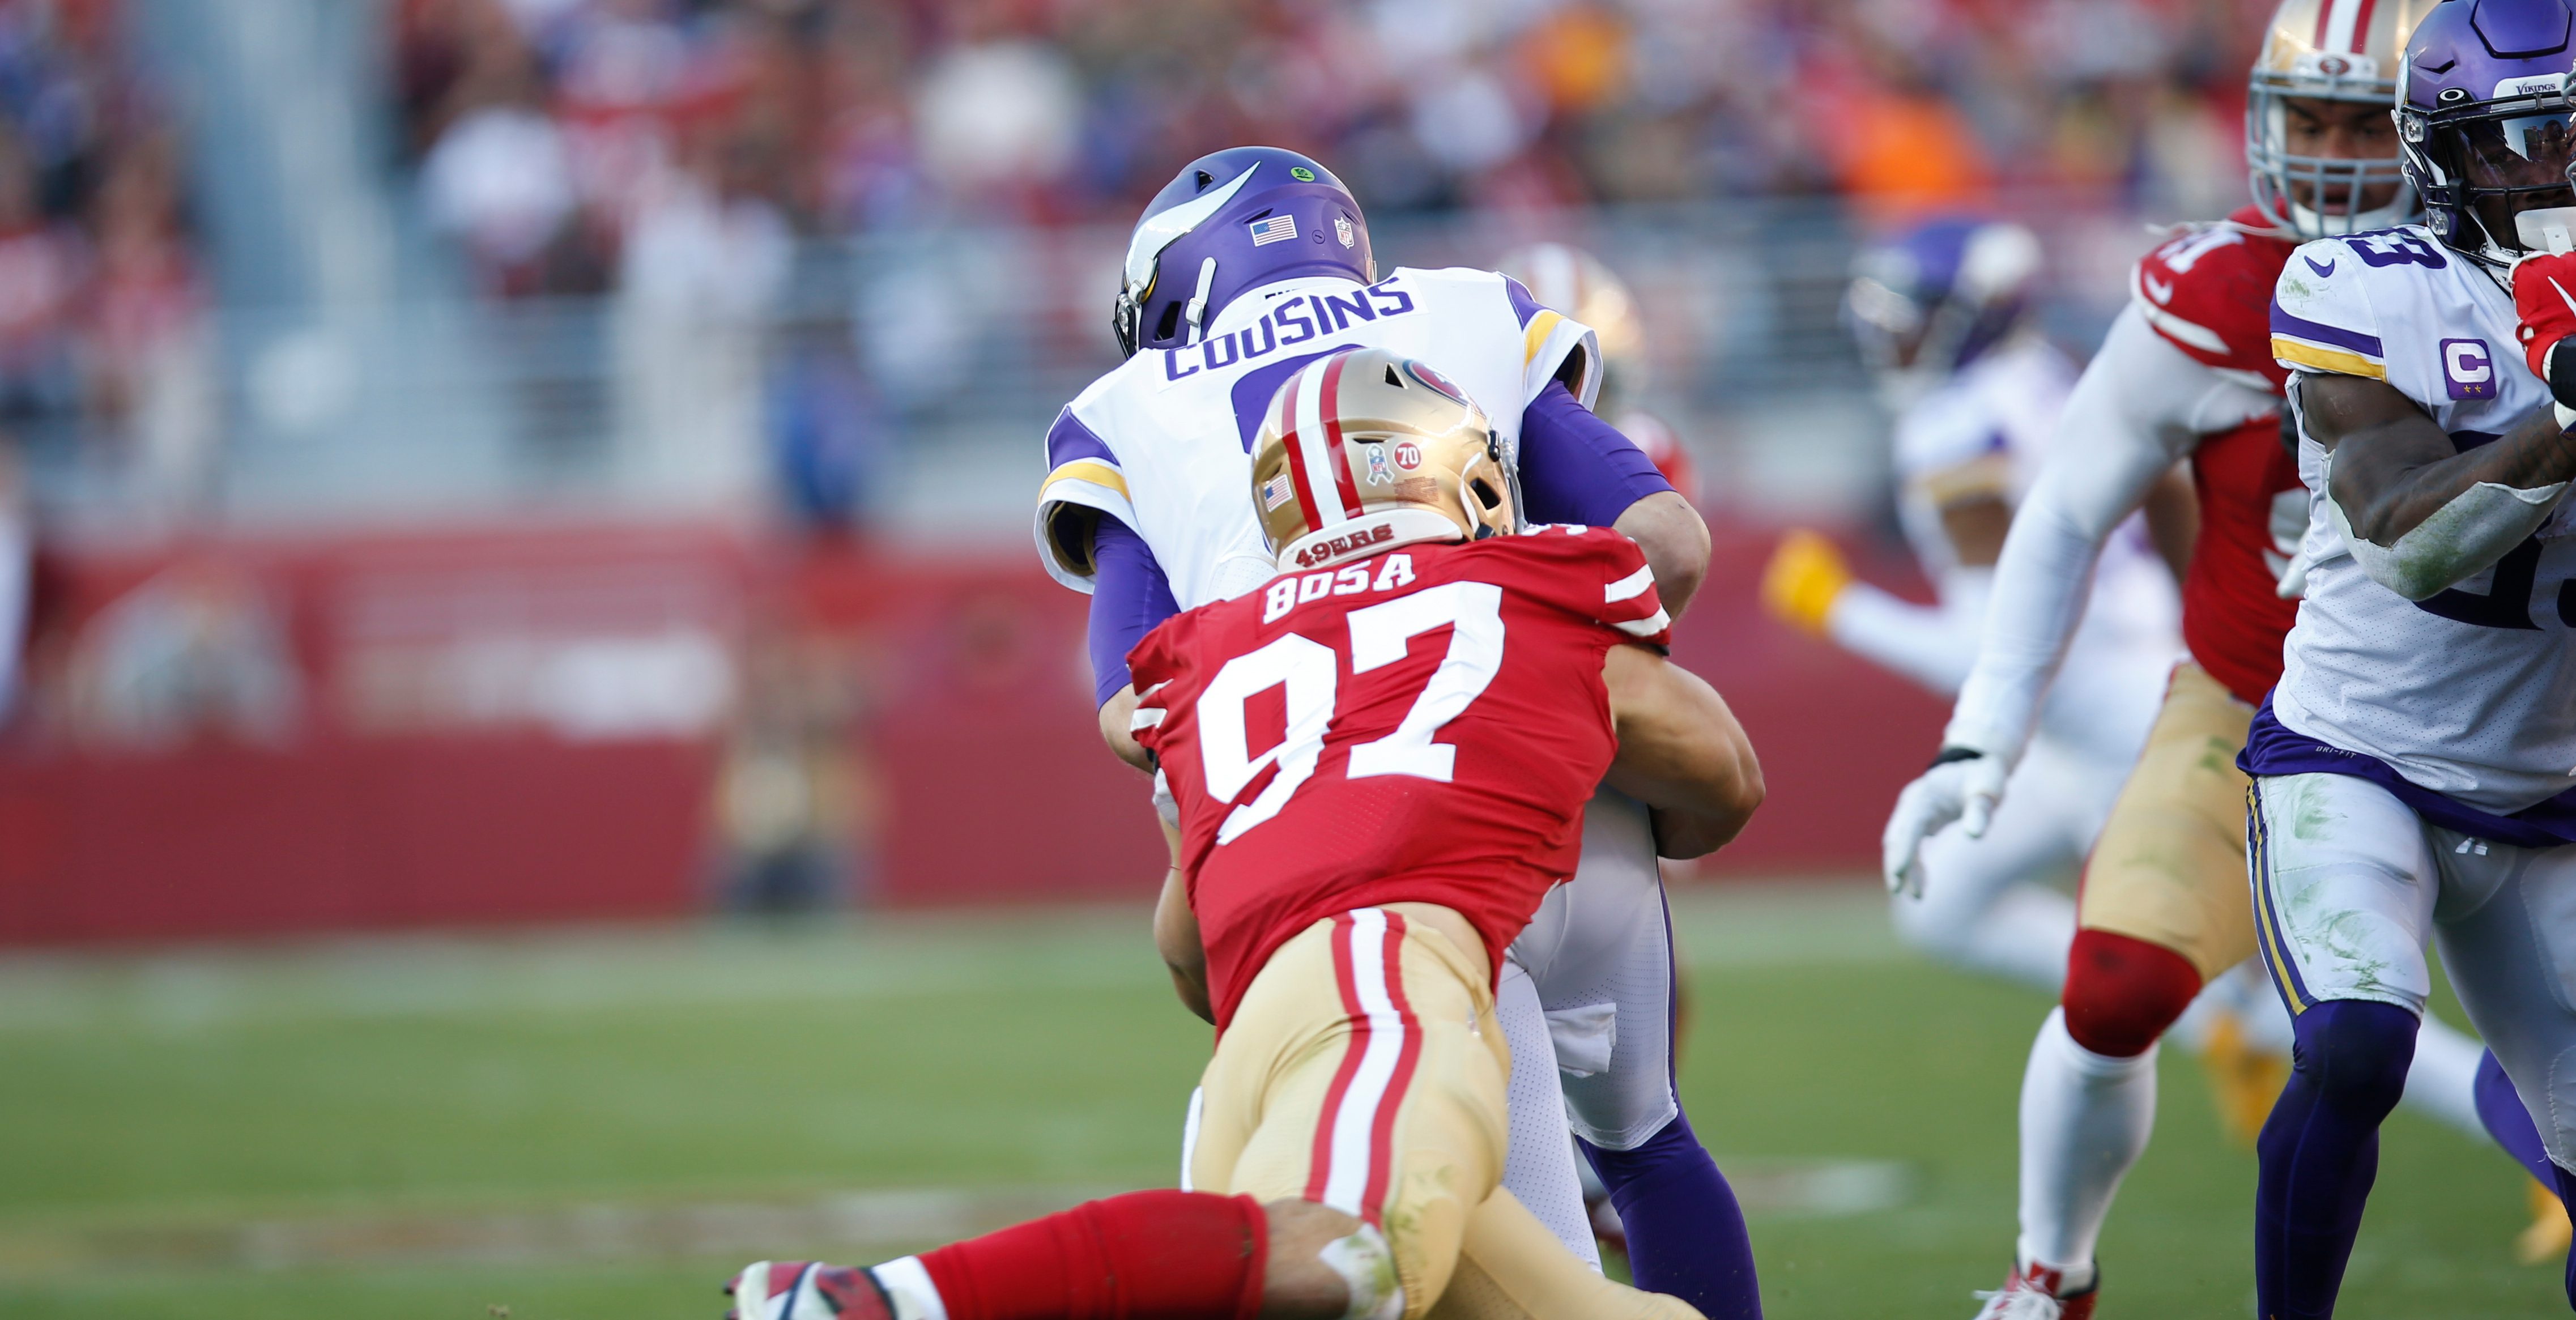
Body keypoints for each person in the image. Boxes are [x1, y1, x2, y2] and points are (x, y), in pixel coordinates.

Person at [728, 348, 1764, 1320]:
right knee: (1347, 1256)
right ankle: (890, 1301)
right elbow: (1724, 773)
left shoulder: (1213, 648)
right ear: (1451, 469)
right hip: (1389, 986)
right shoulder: (1523, 588)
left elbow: (1186, 953)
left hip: (1252, 1052)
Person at [1031, 146, 1759, 1317]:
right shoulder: (1468, 306)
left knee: (1402, 1228)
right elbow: (1666, 541)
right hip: (1565, 798)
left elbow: (1133, 707)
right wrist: (1561, 673)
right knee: (1647, 1140)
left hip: (1357, 857)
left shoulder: (1125, 412)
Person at [1879, 5, 2505, 1314]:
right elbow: (2065, 509)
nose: (2332, 158)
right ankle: (2052, 1270)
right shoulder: (2218, 294)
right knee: (2117, 987)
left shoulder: (2519, 283)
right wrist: (1983, 734)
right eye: (2309, 118)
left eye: (2362, 122)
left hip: (2520, 719)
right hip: (2262, 709)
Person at [2239, 0, 2576, 1312]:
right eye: (2523, 140)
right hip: (2358, 750)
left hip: (2547, 792)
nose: (2554, 171)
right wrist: (2562, 418)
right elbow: (2403, 540)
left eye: (2574, 135)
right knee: (2360, 1039)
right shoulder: (2366, 282)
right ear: (2444, 153)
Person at [1768, 215, 2184, 997]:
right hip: (2104, 699)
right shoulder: (2048, 373)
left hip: (2110, 715)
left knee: (2271, 1005)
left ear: (1974, 317)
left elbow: (1990, 654)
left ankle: (2483, 1101)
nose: (1887, 338)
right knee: (1941, 895)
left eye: (1910, 316)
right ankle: (2202, 1020)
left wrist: (1836, 608)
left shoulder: (1956, 425)